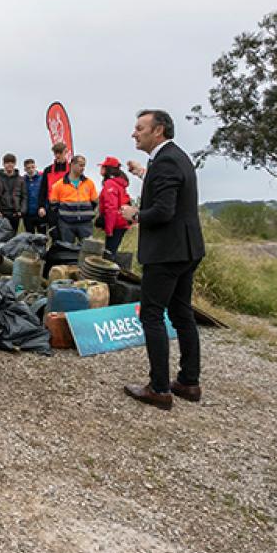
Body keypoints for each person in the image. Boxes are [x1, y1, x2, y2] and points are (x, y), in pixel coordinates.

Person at [119, 110, 206, 409]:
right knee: (182, 314)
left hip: (167, 253)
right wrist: (144, 174)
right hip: (186, 250)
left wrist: (135, 215)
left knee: (151, 315)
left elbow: (164, 211)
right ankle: (188, 382)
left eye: (139, 127)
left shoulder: (166, 160)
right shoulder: (172, 158)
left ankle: (159, 389)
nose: (134, 133)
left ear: (158, 131)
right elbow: (169, 190)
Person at [48, 155, 98, 244]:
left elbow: (94, 201)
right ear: (72, 165)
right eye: (80, 165)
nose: (82, 168)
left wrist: (86, 214)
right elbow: (53, 205)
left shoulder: (89, 183)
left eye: (84, 165)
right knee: (66, 249)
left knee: (88, 248)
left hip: (85, 223)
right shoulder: (59, 185)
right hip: (66, 223)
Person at [98, 156, 133, 259]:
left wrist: (109, 230)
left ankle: (109, 274)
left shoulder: (110, 184)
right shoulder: (119, 183)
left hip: (116, 224)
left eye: (103, 167)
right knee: (111, 252)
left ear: (107, 169)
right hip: (121, 222)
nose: (101, 169)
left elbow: (111, 208)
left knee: (109, 255)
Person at [37, 142, 71, 237]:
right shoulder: (48, 170)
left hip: (68, 207)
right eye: (56, 153)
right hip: (52, 207)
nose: (58, 155)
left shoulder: (72, 170)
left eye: (60, 153)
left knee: (66, 234)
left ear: (66, 152)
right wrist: (41, 206)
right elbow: (43, 190)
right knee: (54, 234)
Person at [0, 153, 27, 233]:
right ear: (3, 164)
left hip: (15, 213)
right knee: (0, 240)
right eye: (7, 163)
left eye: (12, 163)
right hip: (1, 214)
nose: (9, 165)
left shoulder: (20, 179)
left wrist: (22, 211)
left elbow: (24, 196)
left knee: (13, 239)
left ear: (15, 164)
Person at [22, 158, 45, 235]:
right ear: (25, 169)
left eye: (32, 167)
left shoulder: (42, 179)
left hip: (40, 213)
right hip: (27, 214)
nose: (31, 170)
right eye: (28, 168)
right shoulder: (22, 181)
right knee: (29, 237)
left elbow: (45, 195)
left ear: (35, 167)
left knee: (42, 237)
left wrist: (44, 207)